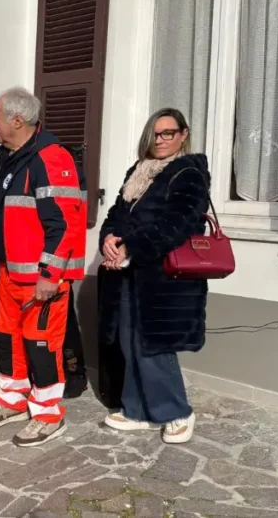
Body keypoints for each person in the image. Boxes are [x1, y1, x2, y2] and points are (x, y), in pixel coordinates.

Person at [0, 88, 86, 447]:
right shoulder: (7, 158)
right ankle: (12, 400)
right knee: (8, 342)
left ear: (17, 120)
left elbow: (64, 225)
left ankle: (48, 414)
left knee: (41, 346)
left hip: (40, 280)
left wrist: (50, 276)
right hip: (10, 273)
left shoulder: (50, 158)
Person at [98, 108, 207, 444]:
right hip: (131, 274)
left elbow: (178, 224)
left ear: (183, 134)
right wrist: (110, 238)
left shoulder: (189, 172)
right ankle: (138, 410)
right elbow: (118, 212)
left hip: (165, 279)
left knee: (155, 346)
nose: (160, 140)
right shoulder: (139, 171)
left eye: (168, 133)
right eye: (155, 134)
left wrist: (131, 247)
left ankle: (176, 412)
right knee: (131, 342)